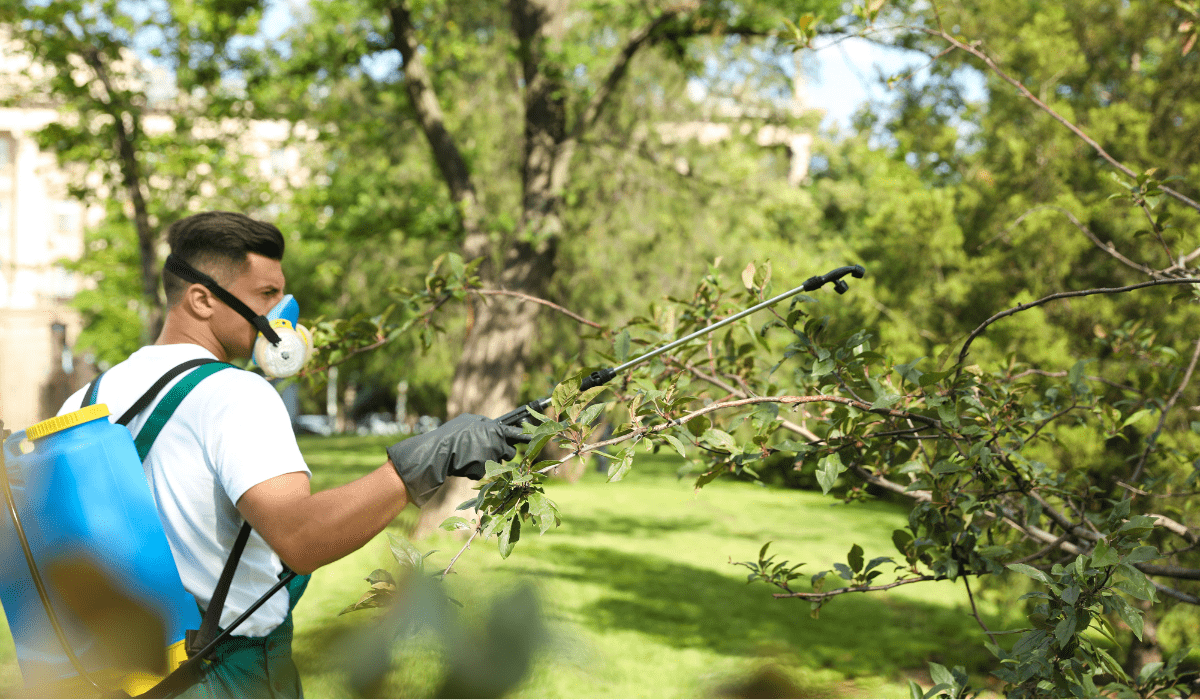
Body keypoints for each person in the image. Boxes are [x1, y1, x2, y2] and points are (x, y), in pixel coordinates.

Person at [58, 211, 523, 698]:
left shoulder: (87, 399)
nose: (283, 313)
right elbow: (302, 537)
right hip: (221, 673)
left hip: (115, 673)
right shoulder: (235, 394)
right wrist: (425, 461)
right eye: (266, 296)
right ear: (200, 299)